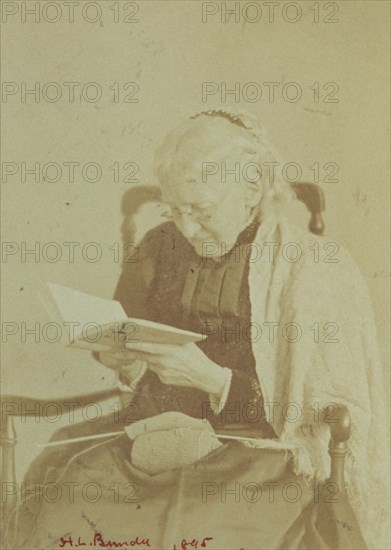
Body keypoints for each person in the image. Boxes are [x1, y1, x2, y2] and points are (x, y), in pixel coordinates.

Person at [7, 110, 388, 549]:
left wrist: (212, 380)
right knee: (64, 496)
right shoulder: (158, 245)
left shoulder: (313, 267)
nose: (185, 228)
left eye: (201, 209)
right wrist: (122, 358)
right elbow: (126, 332)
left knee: (197, 528)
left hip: (258, 454)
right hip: (152, 436)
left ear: (253, 189)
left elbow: (321, 416)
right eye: (174, 210)